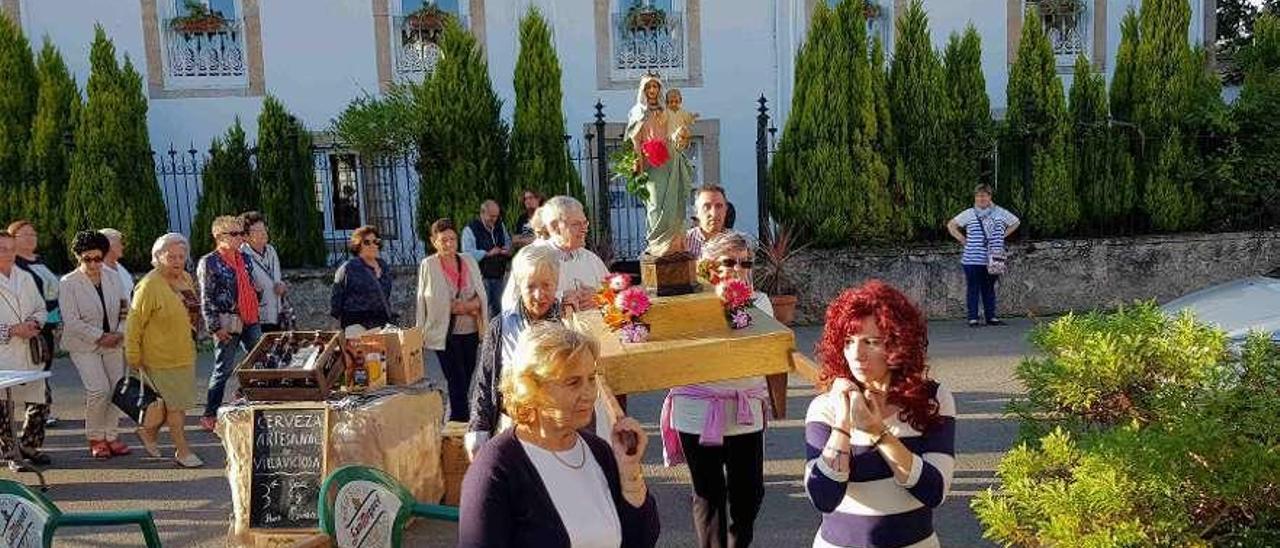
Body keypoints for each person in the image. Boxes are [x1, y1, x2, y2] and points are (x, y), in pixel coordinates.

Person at [458, 322, 660, 547]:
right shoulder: (495, 469)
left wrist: (630, 471)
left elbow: (640, 539)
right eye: (573, 382)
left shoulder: (599, 452)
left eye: (591, 379)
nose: (588, 394)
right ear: (533, 389)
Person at [804, 281, 956, 548]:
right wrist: (842, 424)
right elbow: (823, 497)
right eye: (848, 342)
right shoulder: (824, 407)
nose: (857, 355)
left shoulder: (932, 399)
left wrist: (878, 433)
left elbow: (934, 491)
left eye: (871, 342)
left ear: (898, 343)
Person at [661, 231, 772, 548]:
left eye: (745, 262)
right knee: (709, 494)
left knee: (749, 494)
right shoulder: (692, 305)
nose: (739, 269)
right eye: (729, 262)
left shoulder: (760, 301)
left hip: (743, 409)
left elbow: (762, 350)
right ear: (709, 267)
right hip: (697, 411)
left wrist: (735, 304)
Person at [465, 244, 561, 458]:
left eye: (547, 285)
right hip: (513, 429)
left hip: (558, 430)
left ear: (556, 284)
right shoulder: (501, 326)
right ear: (519, 285)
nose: (539, 294)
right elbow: (485, 379)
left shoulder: (567, 323)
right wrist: (478, 429)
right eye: (530, 286)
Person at [127, 233, 205, 468]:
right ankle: (182, 451)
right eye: (170, 256)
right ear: (157, 257)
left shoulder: (186, 278)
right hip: (160, 357)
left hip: (184, 353)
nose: (177, 261)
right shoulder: (149, 285)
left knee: (170, 405)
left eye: (181, 256)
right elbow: (134, 321)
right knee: (176, 408)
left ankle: (147, 432)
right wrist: (132, 354)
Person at [58, 231, 129, 459]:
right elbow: (71, 320)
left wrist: (118, 333)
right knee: (99, 390)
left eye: (98, 258)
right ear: (78, 257)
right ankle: (96, 437)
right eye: (87, 259)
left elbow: (124, 308)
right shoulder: (68, 282)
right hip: (83, 344)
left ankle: (111, 435)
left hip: (114, 340)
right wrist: (99, 336)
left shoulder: (112, 276)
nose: (93, 264)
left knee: (117, 388)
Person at [416, 219, 488, 423]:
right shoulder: (428, 264)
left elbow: (480, 294)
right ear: (433, 241)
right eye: (443, 240)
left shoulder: (468, 260)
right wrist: (419, 332)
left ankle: (452, 423)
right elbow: (423, 298)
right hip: (444, 333)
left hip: (470, 330)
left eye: (452, 239)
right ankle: (462, 427)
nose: (449, 244)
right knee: (456, 382)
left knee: (465, 381)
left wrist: (466, 306)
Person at [196, 216, 263, 432]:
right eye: (234, 234)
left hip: (249, 317)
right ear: (219, 237)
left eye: (241, 233)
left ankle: (243, 398)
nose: (240, 238)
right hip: (227, 321)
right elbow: (206, 297)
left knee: (258, 361)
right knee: (222, 369)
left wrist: (255, 298)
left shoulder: (244, 257)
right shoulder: (210, 262)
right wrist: (215, 327)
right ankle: (210, 413)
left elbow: (250, 284)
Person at [500, 196, 608, 313]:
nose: (584, 229)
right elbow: (511, 307)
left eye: (585, 223)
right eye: (576, 224)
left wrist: (600, 299)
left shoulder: (592, 260)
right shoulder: (531, 258)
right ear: (555, 227)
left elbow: (616, 302)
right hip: (546, 331)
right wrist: (558, 300)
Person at [627, 74, 695, 257]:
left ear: (659, 89)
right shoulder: (637, 111)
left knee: (674, 199)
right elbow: (634, 139)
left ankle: (674, 242)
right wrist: (637, 160)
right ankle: (657, 242)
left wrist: (682, 138)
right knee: (655, 203)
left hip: (670, 158)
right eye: (648, 87)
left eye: (655, 87)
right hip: (651, 160)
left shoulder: (667, 110)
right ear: (643, 90)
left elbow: (676, 134)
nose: (652, 91)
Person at [0, 230, 51, 467]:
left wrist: (35, 322)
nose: (8, 254)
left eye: (11, 248)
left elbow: (41, 308)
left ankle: (29, 446)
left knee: (41, 400)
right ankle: (12, 454)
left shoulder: (25, 277)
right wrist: (10, 330)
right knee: (3, 409)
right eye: (2, 249)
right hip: (3, 355)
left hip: (29, 352)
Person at [945, 184, 1020, 327]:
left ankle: (991, 317)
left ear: (990, 197)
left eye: (985, 195)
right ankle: (973, 318)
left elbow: (1016, 222)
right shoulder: (969, 213)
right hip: (972, 257)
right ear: (975, 197)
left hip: (995, 255)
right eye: (979, 195)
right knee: (973, 287)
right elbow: (951, 225)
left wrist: (1002, 236)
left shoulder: (999, 212)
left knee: (990, 287)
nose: (981, 198)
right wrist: (962, 239)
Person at [10, 221, 61, 427]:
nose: (31, 238)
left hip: (48, 324)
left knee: (42, 367)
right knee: (28, 372)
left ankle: (41, 412)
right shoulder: (13, 265)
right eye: (25, 235)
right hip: (27, 328)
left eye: (33, 234)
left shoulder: (40, 260)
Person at [331, 225, 394, 338]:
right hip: (356, 326)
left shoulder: (384, 266)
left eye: (375, 241)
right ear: (358, 245)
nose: (372, 245)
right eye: (367, 242)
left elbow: (386, 295)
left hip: (381, 324)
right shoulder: (348, 268)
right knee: (360, 355)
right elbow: (336, 301)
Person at [239, 211, 288, 333]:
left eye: (264, 228)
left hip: (277, 313)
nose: (264, 233)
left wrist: (282, 286)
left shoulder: (271, 250)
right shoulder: (242, 256)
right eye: (257, 231)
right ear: (246, 236)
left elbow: (276, 278)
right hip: (258, 318)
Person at [462, 200, 511, 320]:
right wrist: (487, 253)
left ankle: (496, 336)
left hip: (499, 276)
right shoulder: (470, 230)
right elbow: (467, 254)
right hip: (480, 279)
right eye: (491, 216)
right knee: (481, 312)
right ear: (482, 213)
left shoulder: (500, 224)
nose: (494, 219)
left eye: (496, 216)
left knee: (499, 312)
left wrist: (506, 249)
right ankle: (481, 337)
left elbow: (507, 241)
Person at [684, 184, 730, 259]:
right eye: (706, 207)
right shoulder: (684, 243)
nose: (714, 213)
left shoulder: (736, 243)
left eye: (719, 206)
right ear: (696, 212)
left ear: (725, 210)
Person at [99, 228, 135, 299]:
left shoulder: (121, 268)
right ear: (109, 245)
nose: (123, 247)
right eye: (120, 243)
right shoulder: (96, 270)